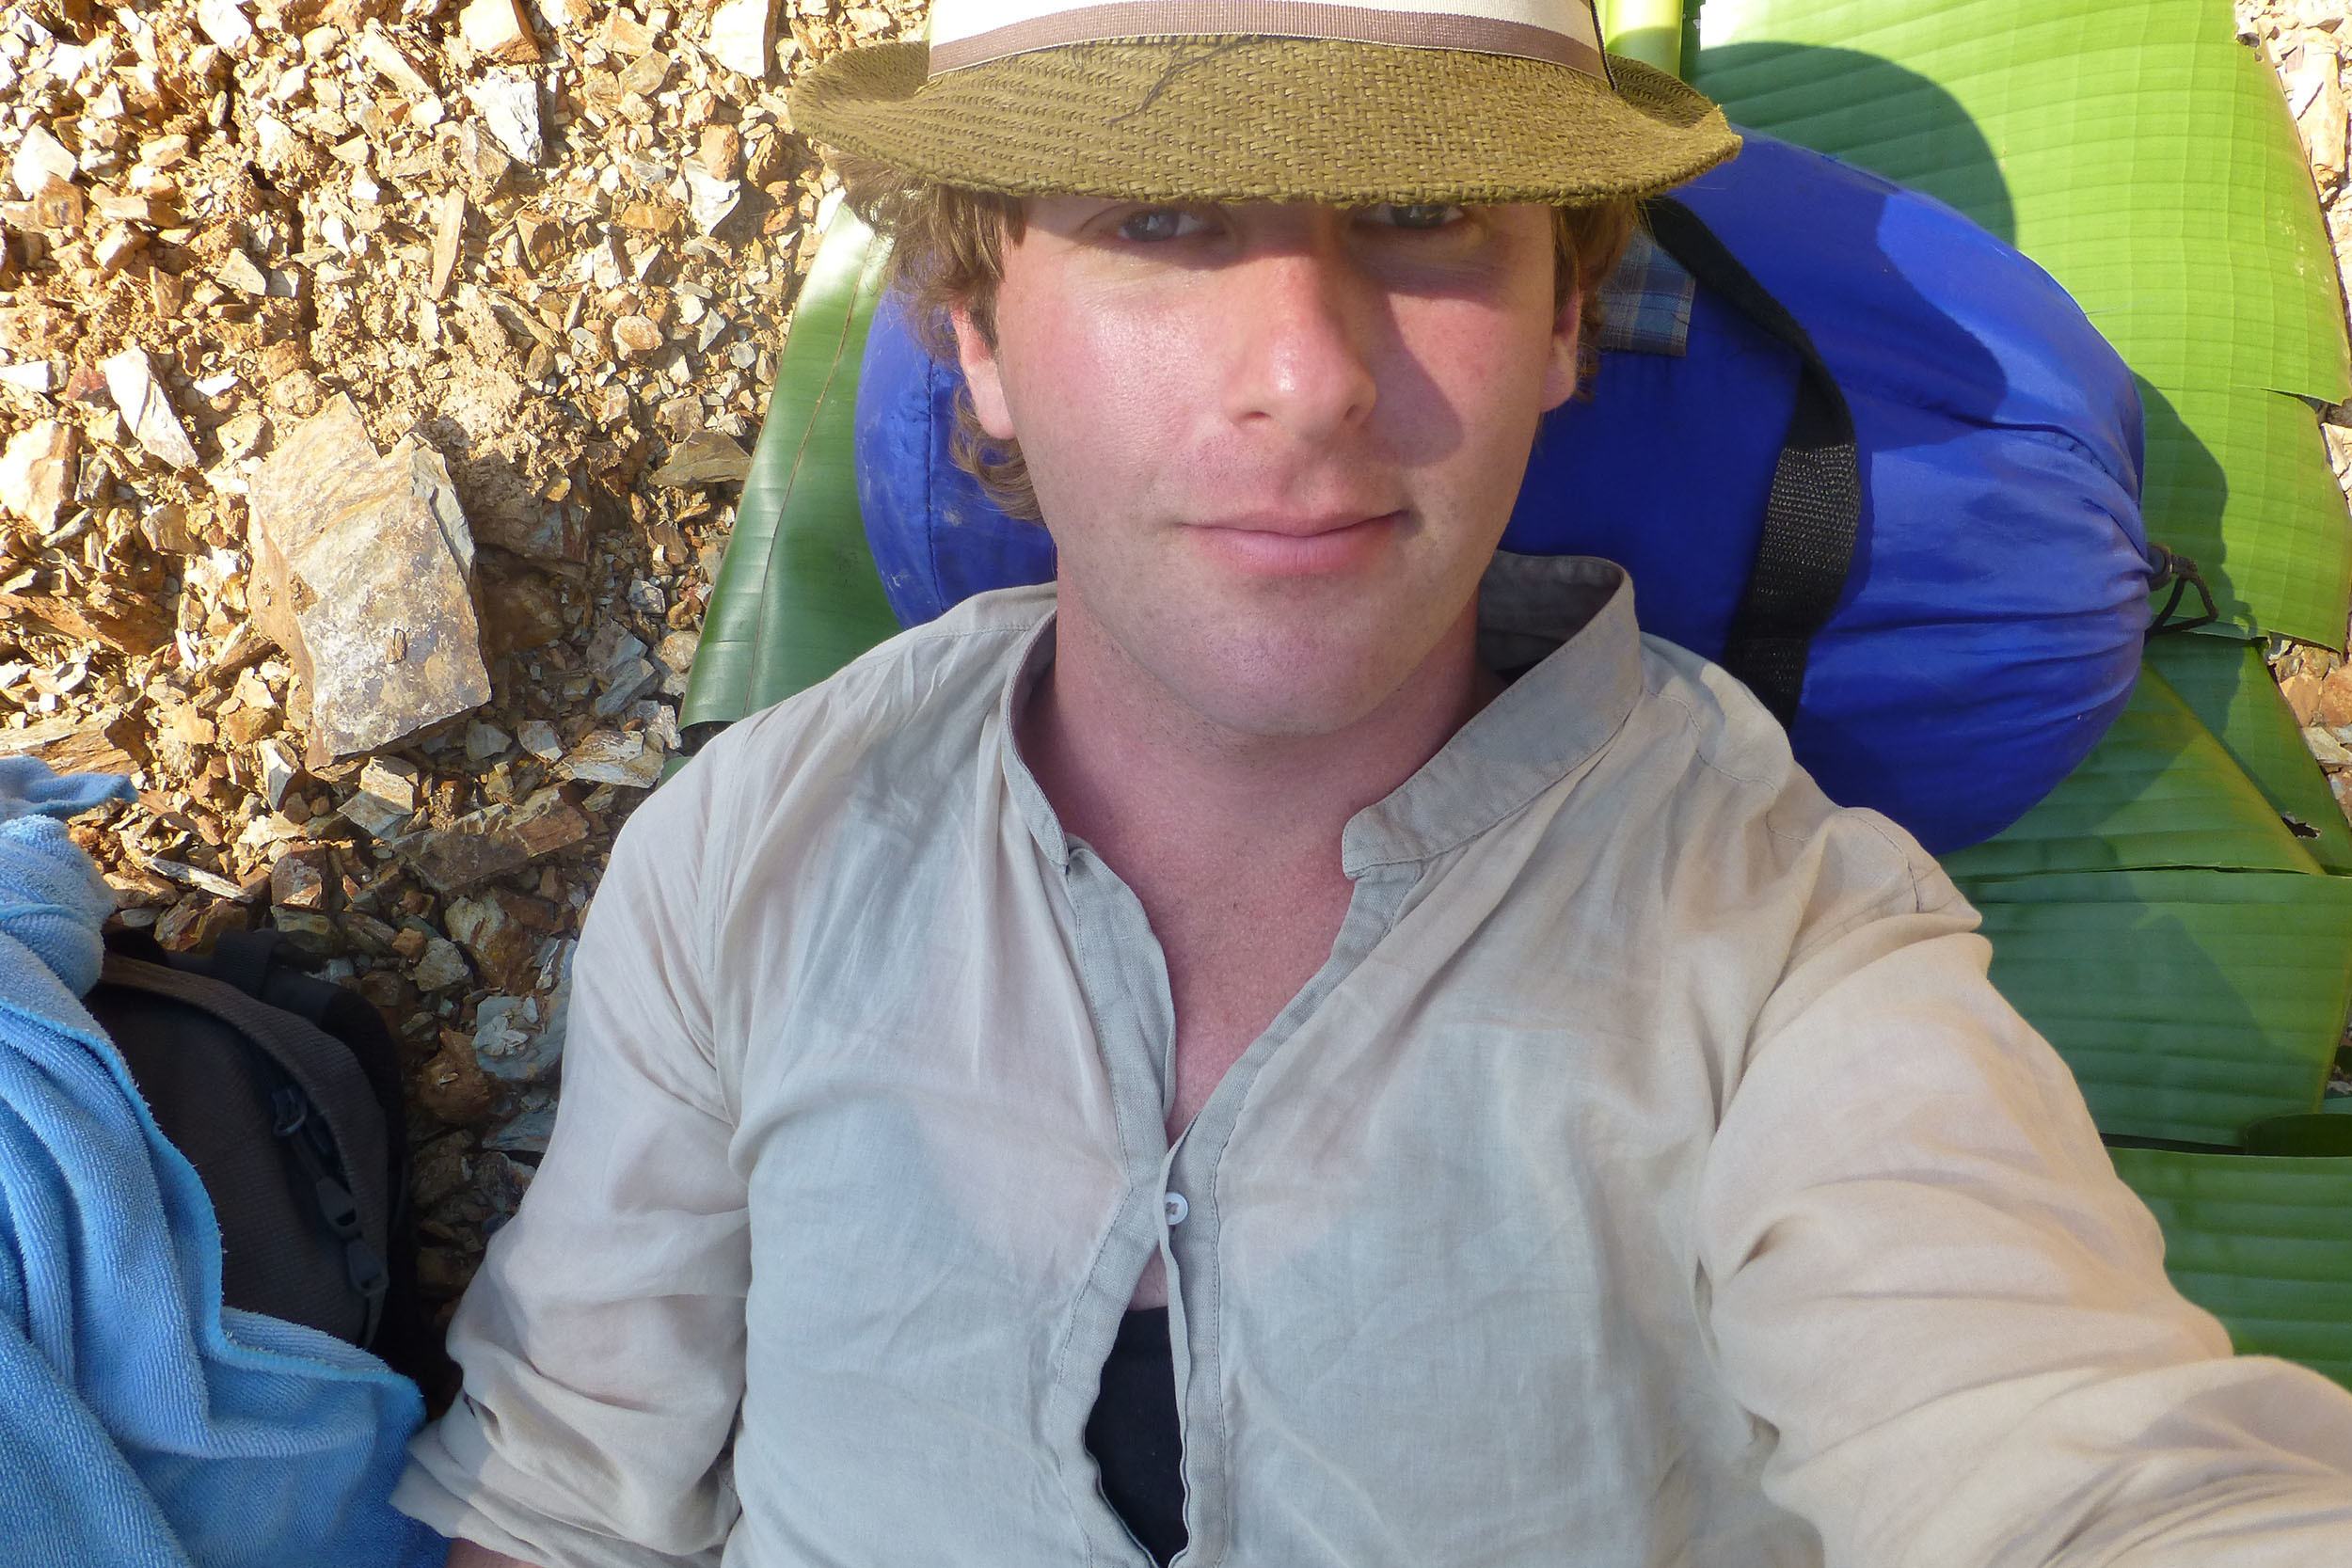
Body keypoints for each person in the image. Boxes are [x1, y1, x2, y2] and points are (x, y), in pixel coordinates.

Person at [396, 3, 2352, 1564]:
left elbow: (2066, 1451)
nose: (1307, 378)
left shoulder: (1776, 937)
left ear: (1565, 323)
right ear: (974, 337)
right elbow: (566, 1497)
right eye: (1159, 225)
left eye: (1420, 224)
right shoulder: (754, 848)